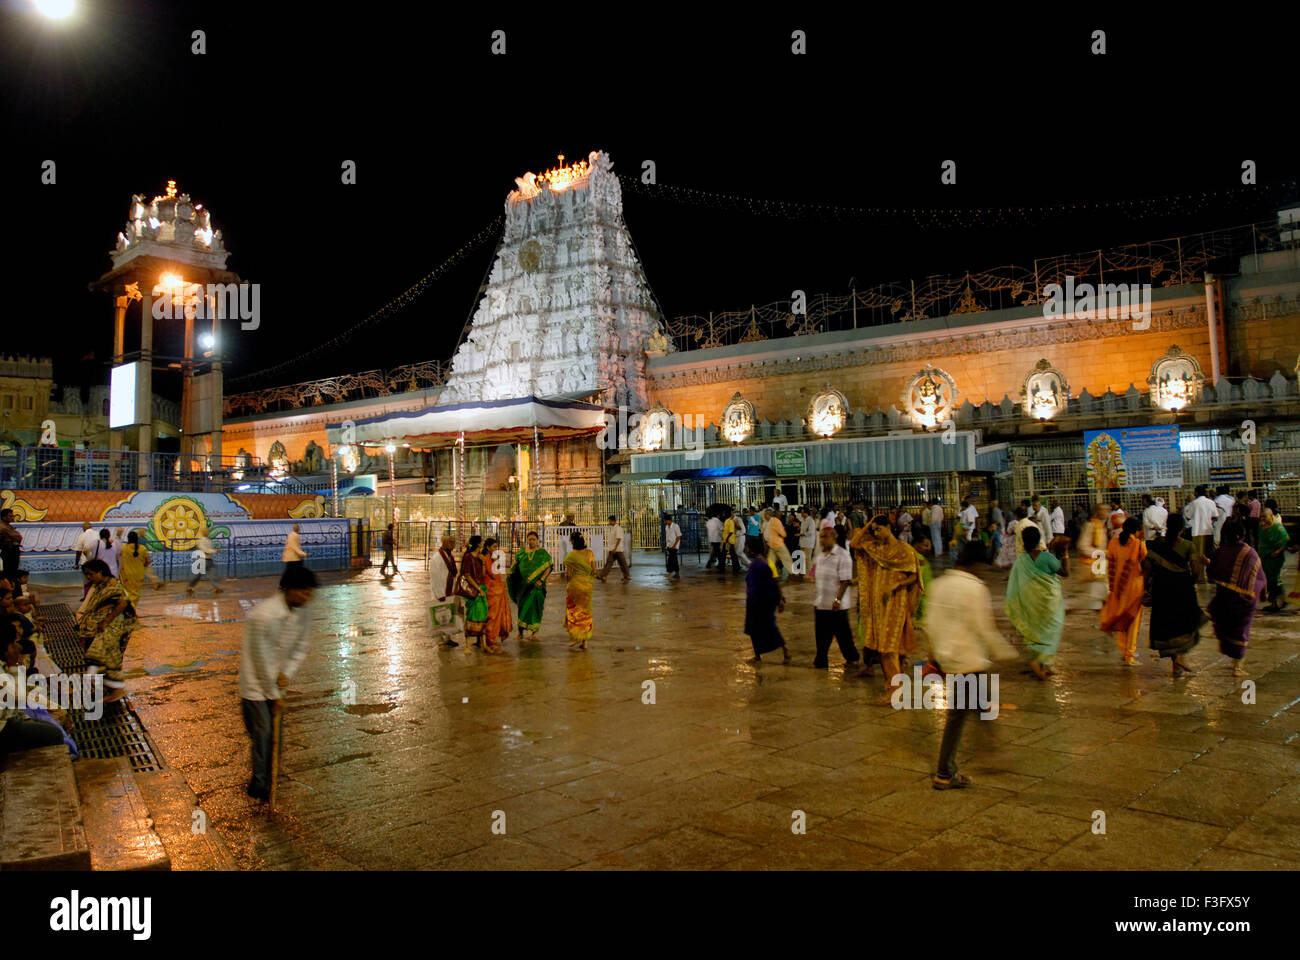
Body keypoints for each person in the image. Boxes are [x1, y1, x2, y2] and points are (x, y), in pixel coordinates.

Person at [924, 540, 1018, 790]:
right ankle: (944, 772)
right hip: (968, 660)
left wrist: (934, 655)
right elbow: (984, 628)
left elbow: (930, 624)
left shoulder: (939, 584)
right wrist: (1006, 652)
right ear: (976, 564)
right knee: (958, 716)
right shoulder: (975, 588)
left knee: (981, 705)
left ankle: (990, 748)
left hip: (949, 658)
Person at [238, 563, 317, 801]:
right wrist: (274, 695)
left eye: (309, 592)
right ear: (289, 589)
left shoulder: (303, 611)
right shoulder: (262, 616)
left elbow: (301, 646)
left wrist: (287, 673)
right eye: (303, 591)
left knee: (276, 736)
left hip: (277, 683)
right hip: (255, 685)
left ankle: (272, 778)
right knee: (263, 734)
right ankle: (259, 787)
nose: (307, 597)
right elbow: (261, 660)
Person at [850, 515, 924, 692]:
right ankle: (894, 685)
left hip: (896, 602)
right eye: (874, 530)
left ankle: (895, 689)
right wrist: (870, 522)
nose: (876, 533)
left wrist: (898, 584)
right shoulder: (876, 548)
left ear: (889, 527)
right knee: (886, 648)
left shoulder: (904, 549)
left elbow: (915, 576)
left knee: (887, 647)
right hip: (878, 605)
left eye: (879, 529)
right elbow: (854, 543)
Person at [1142, 513, 1203, 678]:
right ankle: (1180, 659)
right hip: (1182, 589)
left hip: (1162, 590)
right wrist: (1190, 582)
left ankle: (1176, 664)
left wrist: (1145, 589)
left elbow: (1147, 567)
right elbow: (1196, 570)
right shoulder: (1188, 546)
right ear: (1182, 529)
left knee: (1168, 626)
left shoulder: (1157, 545)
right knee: (1184, 625)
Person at [1005, 525, 1065, 680]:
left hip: (1031, 604)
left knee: (1036, 631)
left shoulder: (1021, 561)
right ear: (1039, 539)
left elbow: (1015, 586)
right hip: (1049, 604)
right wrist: (1063, 552)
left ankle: (1044, 663)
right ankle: (1039, 662)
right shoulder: (1046, 557)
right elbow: (1065, 572)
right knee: (1051, 630)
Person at [1207, 519, 1265, 677]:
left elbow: (1211, 573)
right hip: (1243, 601)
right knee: (1241, 630)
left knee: (1226, 628)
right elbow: (1259, 578)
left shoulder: (1220, 551)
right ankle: (1237, 667)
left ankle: (1234, 660)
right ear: (1242, 534)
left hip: (1223, 599)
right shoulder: (1250, 553)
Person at [77, 558, 139, 693]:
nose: (88, 577)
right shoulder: (100, 586)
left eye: (91, 574)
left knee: (103, 656)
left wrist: (106, 621)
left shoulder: (113, 586)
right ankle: (107, 687)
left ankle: (113, 687)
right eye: (86, 575)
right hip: (103, 627)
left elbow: (122, 604)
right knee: (103, 656)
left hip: (115, 626)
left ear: (100, 572)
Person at [1099, 517, 1147, 666]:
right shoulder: (1138, 544)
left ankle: (1123, 650)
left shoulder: (1113, 542)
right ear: (1136, 530)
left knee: (1121, 619)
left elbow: (1110, 562)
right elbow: (1145, 560)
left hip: (1118, 587)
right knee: (1132, 622)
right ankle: (1129, 655)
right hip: (1134, 588)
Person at [811, 526, 859, 670]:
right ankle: (821, 661)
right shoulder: (820, 556)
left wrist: (838, 599)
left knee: (843, 635)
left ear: (833, 538)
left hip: (837, 605)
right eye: (821, 537)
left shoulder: (842, 555)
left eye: (825, 537)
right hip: (821, 603)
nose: (822, 540)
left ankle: (852, 658)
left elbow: (845, 581)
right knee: (821, 635)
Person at [744, 540, 789, 664]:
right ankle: (759, 655)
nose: (746, 550)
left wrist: (779, 599)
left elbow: (773, 582)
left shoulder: (759, 565)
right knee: (762, 629)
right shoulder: (762, 563)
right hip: (758, 602)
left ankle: (782, 652)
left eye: (747, 548)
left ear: (752, 550)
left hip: (760, 603)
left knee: (763, 629)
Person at [508, 531, 552, 641]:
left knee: (536, 608)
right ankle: (520, 633)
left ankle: (534, 633)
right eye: (529, 539)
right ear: (527, 540)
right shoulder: (521, 552)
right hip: (523, 587)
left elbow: (548, 567)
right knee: (522, 608)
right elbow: (514, 565)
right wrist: (510, 572)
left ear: (537, 540)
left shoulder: (542, 554)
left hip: (537, 587)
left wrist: (541, 580)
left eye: (533, 539)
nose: (531, 541)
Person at [428, 534, 463, 646]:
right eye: (450, 542)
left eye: (453, 542)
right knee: (438, 615)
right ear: (443, 543)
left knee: (447, 615)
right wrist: (440, 594)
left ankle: (448, 638)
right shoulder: (436, 558)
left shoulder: (449, 556)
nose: (452, 544)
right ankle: (439, 641)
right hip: (440, 590)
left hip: (449, 589)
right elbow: (435, 577)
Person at [563, 532, 595, 650]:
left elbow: (568, 574)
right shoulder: (590, 553)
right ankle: (584, 642)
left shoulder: (571, 556)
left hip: (575, 587)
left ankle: (576, 637)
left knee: (574, 613)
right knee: (586, 613)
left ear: (573, 542)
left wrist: (569, 584)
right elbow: (594, 570)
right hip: (587, 588)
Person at [482, 537, 513, 652]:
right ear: (488, 548)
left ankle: (491, 640)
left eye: (496, 547)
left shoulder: (491, 558)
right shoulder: (486, 559)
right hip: (492, 591)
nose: (496, 549)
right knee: (492, 617)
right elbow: (493, 574)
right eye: (494, 547)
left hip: (497, 590)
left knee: (495, 617)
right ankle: (490, 641)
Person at [1258, 507, 1290, 613]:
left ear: (1271, 516)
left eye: (1265, 516)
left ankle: (1276, 601)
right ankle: (1278, 600)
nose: (1263, 518)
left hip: (1275, 557)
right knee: (1268, 578)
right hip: (1265, 556)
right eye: (1261, 516)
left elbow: (1286, 540)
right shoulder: (1261, 527)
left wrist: (1278, 551)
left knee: (1274, 579)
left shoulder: (1278, 527)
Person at [461, 536, 488, 645]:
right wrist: (478, 589)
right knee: (472, 615)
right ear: (478, 544)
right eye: (481, 542)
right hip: (473, 590)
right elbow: (467, 575)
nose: (483, 543)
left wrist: (483, 562)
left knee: (482, 615)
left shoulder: (479, 557)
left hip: (481, 588)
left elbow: (483, 574)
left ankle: (482, 642)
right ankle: (467, 643)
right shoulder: (468, 556)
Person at [118, 531, 158, 606]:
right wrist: (143, 566)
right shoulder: (142, 549)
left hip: (127, 575)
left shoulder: (124, 549)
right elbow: (148, 561)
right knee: (136, 594)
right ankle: (132, 608)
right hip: (138, 574)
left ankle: (129, 608)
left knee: (128, 593)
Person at [1186, 485, 1217, 569]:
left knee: (1198, 555)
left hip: (1197, 532)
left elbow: (1188, 517)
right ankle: (1209, 573)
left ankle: (1200, 574)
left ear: (1197, 492)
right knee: (1209, 554)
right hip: (1209, 531)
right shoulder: (1211, 502)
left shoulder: (1193, 503)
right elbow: (1215, 516)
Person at [186, 530, 224, 597]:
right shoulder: (201, 541)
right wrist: (215, 551)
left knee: (213, 574)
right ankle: (190, 586)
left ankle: (217, 588)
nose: (207, 533)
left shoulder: (208, 540)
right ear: (203, 533)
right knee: (197, 575)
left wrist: (214, 551)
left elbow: (208, 550)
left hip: (209, 560)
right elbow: (205, 550)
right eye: (206, 532)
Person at [596, 515, 630, 581]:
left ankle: (627, 576)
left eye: (610, 521)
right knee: (609, 563)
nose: (609, 522)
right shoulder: (613, 528)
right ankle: (603, 576)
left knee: (622, 563)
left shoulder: (618, 529)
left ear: (613, 521)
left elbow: (619, 539)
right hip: (613, 549)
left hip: (618, 549)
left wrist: (615, 548)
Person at [765, 508, 795, 581]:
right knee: (786, 559)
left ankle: (773, 575)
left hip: (772, 544)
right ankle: (792, 573)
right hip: (778, 544)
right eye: (780, 514)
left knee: (771, 560)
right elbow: (783, 534)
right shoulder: (776, 521)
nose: (781, 515)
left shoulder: (770, 522)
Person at [721, 507, 745, 572]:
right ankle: (736, 566)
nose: (723, 514)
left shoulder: (731, 521)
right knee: (732, 554)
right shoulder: (727, 520)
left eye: (724, 513)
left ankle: (722, 566)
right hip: (727, 540)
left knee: (726, 553)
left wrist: (727, 539)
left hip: (729, 540)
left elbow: (731, 531)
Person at [0, 509, 22, 576]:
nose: (12, 518)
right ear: (4, 517)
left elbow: (18, 537)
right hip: (9, 550)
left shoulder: (8, 526)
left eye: (13, 516)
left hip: (13, 550)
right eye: (10, 516)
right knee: (9, 571)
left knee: (13, 570)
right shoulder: (3, 527)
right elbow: (17, 536)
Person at [663, 515, 682, 579]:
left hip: (674, 546)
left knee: (671, 559)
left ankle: (670, 572)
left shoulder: (675, 526)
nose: (665, 522)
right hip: (669, 545)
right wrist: (667, 546)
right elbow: (667, 537)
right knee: (674, 560)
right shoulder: (666, 527)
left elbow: (678, 537)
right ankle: (676, 574)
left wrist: (674, 546)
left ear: (669, 520)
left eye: (665, 521)